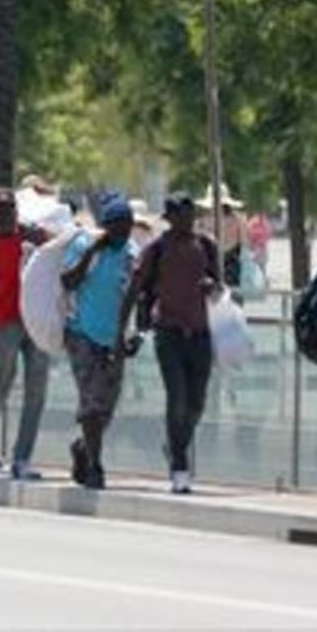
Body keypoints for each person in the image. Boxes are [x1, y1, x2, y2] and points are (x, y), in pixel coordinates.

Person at [121, 192, 220, 494]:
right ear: (170, 217)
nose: (189, 221)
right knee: (176, 397)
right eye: (182, 215)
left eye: (192, 215)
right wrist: (121, 329)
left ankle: (175, 442)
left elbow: (220, 288)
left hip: (201, 332)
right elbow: (135, 287)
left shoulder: (206, 245)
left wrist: (212, 286)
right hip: (169, 331)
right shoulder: (157, 249)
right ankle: (179, 465)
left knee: (197, 402)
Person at [0, 187, 50, 480]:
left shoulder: (27, 238)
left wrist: (40, 236)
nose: (7, 216)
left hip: (34, 320)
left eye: (10, 209)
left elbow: (55, 250)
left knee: (36, 391)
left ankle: (22, 458)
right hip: (4, 323)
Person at [60, 194, 139, 490]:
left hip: (115, 340)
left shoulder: (132, 253)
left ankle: (83, 447)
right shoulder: (85, 247)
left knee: (106, 407)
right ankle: (95, 466)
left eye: (127, 226)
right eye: (117, 226)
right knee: (91, 404)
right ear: (106, 226)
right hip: (83, 334)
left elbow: (138, 295)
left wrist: (134, 335)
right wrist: (91, 252)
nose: (123, 232)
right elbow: (67, 281)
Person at [197, 184, 246, 291]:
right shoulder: (237, 220)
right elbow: (243, 242)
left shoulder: (204, 222)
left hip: (224, 266)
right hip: (221, 266)